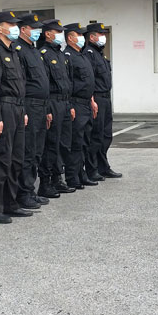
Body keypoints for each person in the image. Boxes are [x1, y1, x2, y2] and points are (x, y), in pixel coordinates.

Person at [0, 11, 31, 224]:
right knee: (1, 159)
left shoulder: (13, 51)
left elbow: (20, 84)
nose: (14, 28)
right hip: (4, 108)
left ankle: (10, 203)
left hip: (18, 108)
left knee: (16, 159)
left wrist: (24, 111)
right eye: (10, 25)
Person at [16, 13, 50, 208]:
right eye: (34, 28)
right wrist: (24, 110)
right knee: (28, 152)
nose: (38, 31)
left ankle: (30, 190)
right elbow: (21, 83)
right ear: (23, 29)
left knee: (37, 151)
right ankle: (23, 193)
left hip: (41, 106)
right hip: (30, 105)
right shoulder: (19, 50)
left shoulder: (34, 50)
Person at [83, 22, 122, 180]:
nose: (103, 37)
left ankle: (103, 166)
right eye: (100, 34)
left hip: (106, 97)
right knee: (96, 136)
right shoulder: (89, 53)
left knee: (106, 135)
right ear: (92, 37)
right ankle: (92, 169)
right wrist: (92, 100)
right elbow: (89, 79)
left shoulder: (100, 54)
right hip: (97, 97)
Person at [38, 19, 72, 198]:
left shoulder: (60, 54)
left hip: (64, 103)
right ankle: (46, 182)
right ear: (48, 34)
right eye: (57, 32)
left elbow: (67, 82)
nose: (60, 35)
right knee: (51, 144)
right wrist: (48, 109)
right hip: (52, 102)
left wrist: (70, 105)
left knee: (63, 143)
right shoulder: (43, 54)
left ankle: (58, 178)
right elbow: (44, 84)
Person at [62, 23, 98, 190]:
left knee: (84, 141)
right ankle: (72, 176)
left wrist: (91, 100)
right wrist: (70, 105)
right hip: (76, 103)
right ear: (70, 38)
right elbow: (68, 83)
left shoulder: (82, 55)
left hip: (86, 103)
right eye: (79, 35)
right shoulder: (68, 56)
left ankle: (81, 173)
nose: (83, 38)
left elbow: (88, 82)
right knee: (75, 142)